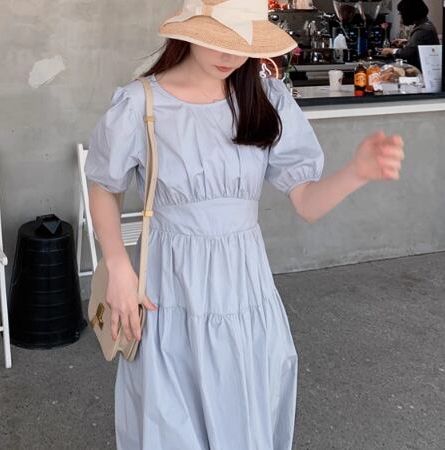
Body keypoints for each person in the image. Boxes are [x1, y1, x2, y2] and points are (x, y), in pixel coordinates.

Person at [84, 0, 404, 448]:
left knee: (244, 413)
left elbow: (307, 202)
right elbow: (104, 185)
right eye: (219, 40)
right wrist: (118, 265)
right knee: (169, 421)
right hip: (170, 286)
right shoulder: (142, 102)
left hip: (245, 288)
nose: (231, 55)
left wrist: (357, 172)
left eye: (243, 42)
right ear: (190, 32)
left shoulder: (265, 97)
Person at [381, 0, 440, 70]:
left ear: (409, 14)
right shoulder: (426, 24)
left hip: (424, 71)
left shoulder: (422, 30)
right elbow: (419, 44)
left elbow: (406, 53)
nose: (401, 17)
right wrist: (407, 42)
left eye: (401, 14)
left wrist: (391, 51)